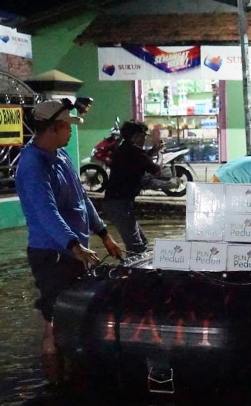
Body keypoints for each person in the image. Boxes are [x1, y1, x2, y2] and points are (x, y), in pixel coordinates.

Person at [15, 99, 122, 381]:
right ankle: (53, 386)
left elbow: (81, 199)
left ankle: (71, 373)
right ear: (53, 128)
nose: (71, 132)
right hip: (52, 255)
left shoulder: (60, 157)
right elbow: (45, 212)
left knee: (71, 318)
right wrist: (74, 246)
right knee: (52, 322)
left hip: (73, 251)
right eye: (67, 127)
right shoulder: (32, 165)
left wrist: (104, 235)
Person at [104, 120, 167, 254]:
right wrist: (160, 153)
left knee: (142, 243)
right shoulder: (134, 151)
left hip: (118, 202)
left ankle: (136, 269)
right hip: (119, 204)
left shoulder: (124, 148)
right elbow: (157, 170)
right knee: (136, 246)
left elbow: (141, 160)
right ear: (137, 136)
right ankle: (133, 272)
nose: (145, 139)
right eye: (144, 135)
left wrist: (153, 151)